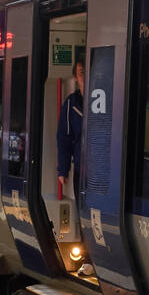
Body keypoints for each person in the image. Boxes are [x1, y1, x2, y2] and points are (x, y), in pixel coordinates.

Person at [57, 59, 85, 196]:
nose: (85, 77)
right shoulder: (71, 103)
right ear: (75, 77)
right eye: (82, 73)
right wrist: (63, 169)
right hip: (81, 166)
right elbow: (64, 137)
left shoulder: (106, 99)